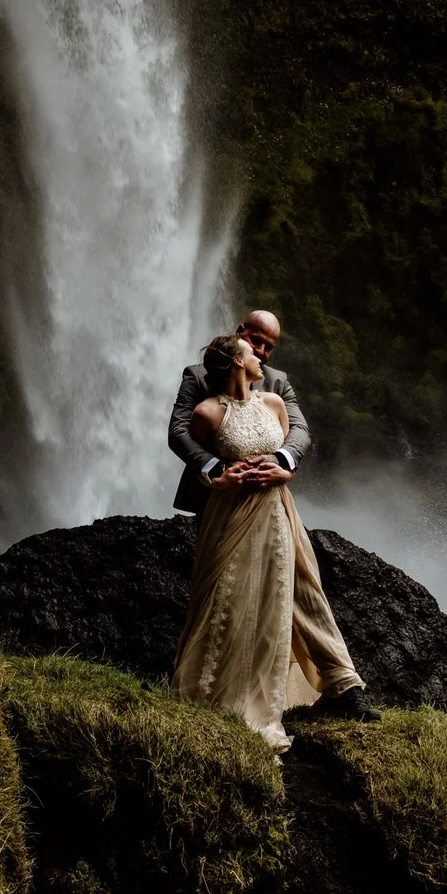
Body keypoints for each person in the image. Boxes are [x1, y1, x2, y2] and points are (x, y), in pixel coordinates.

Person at [171, 332, 374, 751]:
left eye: (271, 345)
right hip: (227, 510)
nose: (264, 353)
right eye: (257, 344)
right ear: (240, 348)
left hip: (277, 509)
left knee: (294, 587)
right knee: (230, 595)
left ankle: (342, 685)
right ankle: (221, 687)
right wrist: (215, 474)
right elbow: (180, 434)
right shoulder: (202, 392)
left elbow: (297, 434)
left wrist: (285, 466)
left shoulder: (275, 393)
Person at [165, 310, 310, 515]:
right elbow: (178, 432)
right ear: (241, 330)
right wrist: (219, 469)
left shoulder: (278, 382)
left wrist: (279, 461)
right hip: (213, 494)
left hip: (266, 495)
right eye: (256, 340)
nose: (260, 351)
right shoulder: (197, 376)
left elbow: (300, 429)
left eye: (269, 347)